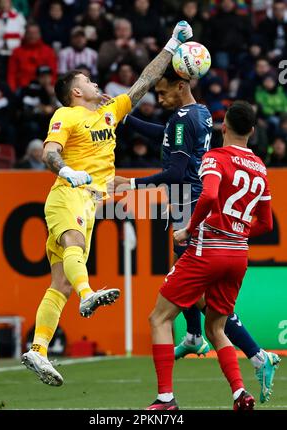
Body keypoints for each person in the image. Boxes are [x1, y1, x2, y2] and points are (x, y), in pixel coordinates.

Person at [21, 20, 193, 387]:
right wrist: (67, 171)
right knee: (75, 249)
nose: (95, 82)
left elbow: (145, 81)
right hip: (69, 192)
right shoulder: (66, 115)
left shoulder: (110, 111)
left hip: (90, 200)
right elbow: (51, 152)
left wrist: (170, 44)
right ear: (75, 91)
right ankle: (88, 295)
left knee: (59, 284)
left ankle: (38, 348)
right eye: (87, 79)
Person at [113, 68, 280, 405]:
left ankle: (187, 366)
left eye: (162, 93)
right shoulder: (205, 117)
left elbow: (192, 183)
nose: (159, 100)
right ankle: (247, 365)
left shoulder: (214, 157)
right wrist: (126, 121)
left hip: (196, 218)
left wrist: (132, 185)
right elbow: (266, 224)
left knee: (167, 309)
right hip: (235, 247)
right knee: (210, 316)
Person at [145, 101, 276, 410]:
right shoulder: (260, 167)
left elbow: (209, 195)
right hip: (238, 256)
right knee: (216, 327)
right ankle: (239, 393)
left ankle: (166, 399)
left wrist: (189, 229)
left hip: (208, 249)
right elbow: (267, 224)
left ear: (223, 127)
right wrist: (238, 233)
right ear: (253, 131)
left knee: (160, 318)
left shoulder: (214, 157)